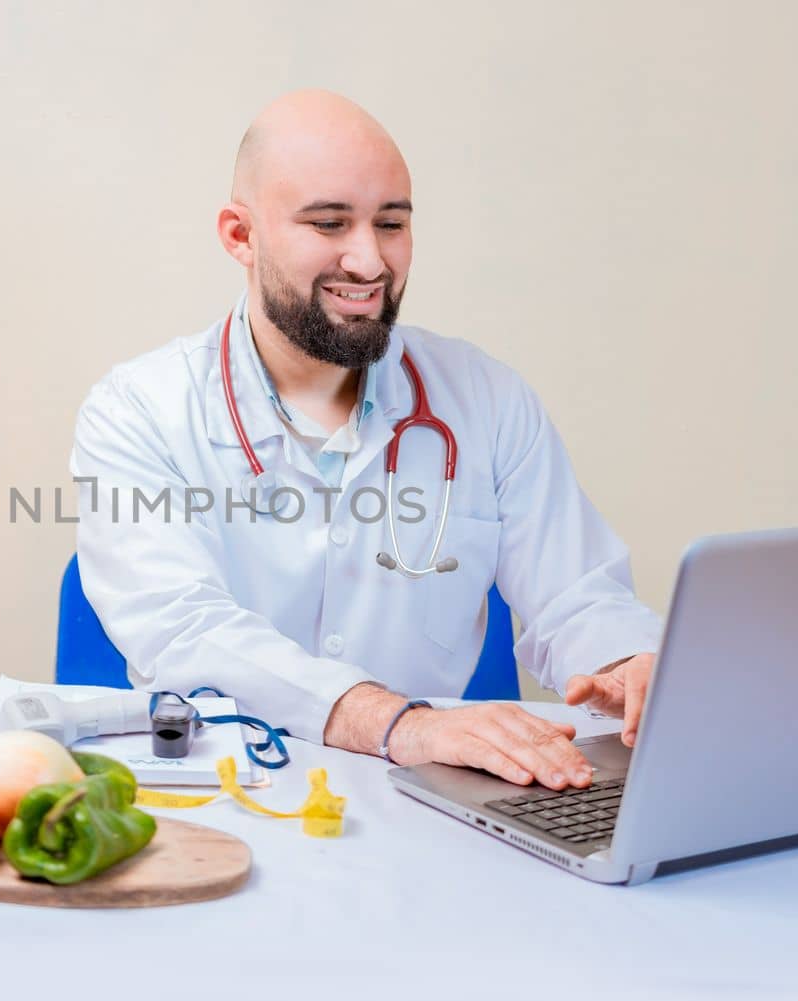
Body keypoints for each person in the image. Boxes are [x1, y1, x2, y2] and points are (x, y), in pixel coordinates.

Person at [69, 90, 660, 791]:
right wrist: (398, 723)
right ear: (240, 235)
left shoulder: (486, 400)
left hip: (435, 806)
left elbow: (576, 595)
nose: (370, 261)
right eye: (329, 223)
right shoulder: (138, 409)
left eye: (391, 223)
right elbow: (186, 629)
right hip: (235, 798)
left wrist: (630, 664)